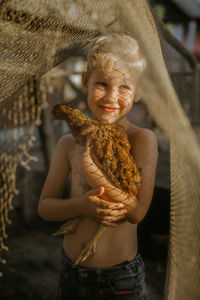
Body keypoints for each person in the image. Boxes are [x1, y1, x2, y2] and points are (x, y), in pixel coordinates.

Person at [38, 33, 158, 299]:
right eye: (102, 83)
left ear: (137, 92)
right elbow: (45, 206)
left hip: (119, 281)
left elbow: (137, 212)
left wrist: (92, 171)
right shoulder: (68, 143)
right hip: (70, 273)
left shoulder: (141, 140)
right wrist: (82, 206)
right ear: (85, 82)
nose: (111, 97)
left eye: (125, 87)